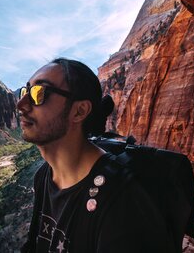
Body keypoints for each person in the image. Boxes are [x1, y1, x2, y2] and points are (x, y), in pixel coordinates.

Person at [18, 58, 171, 253]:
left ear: (79, 111)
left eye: (39, 93)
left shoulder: (123, 204)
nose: (21, 104)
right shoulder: (43, 176)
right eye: (25, 91)